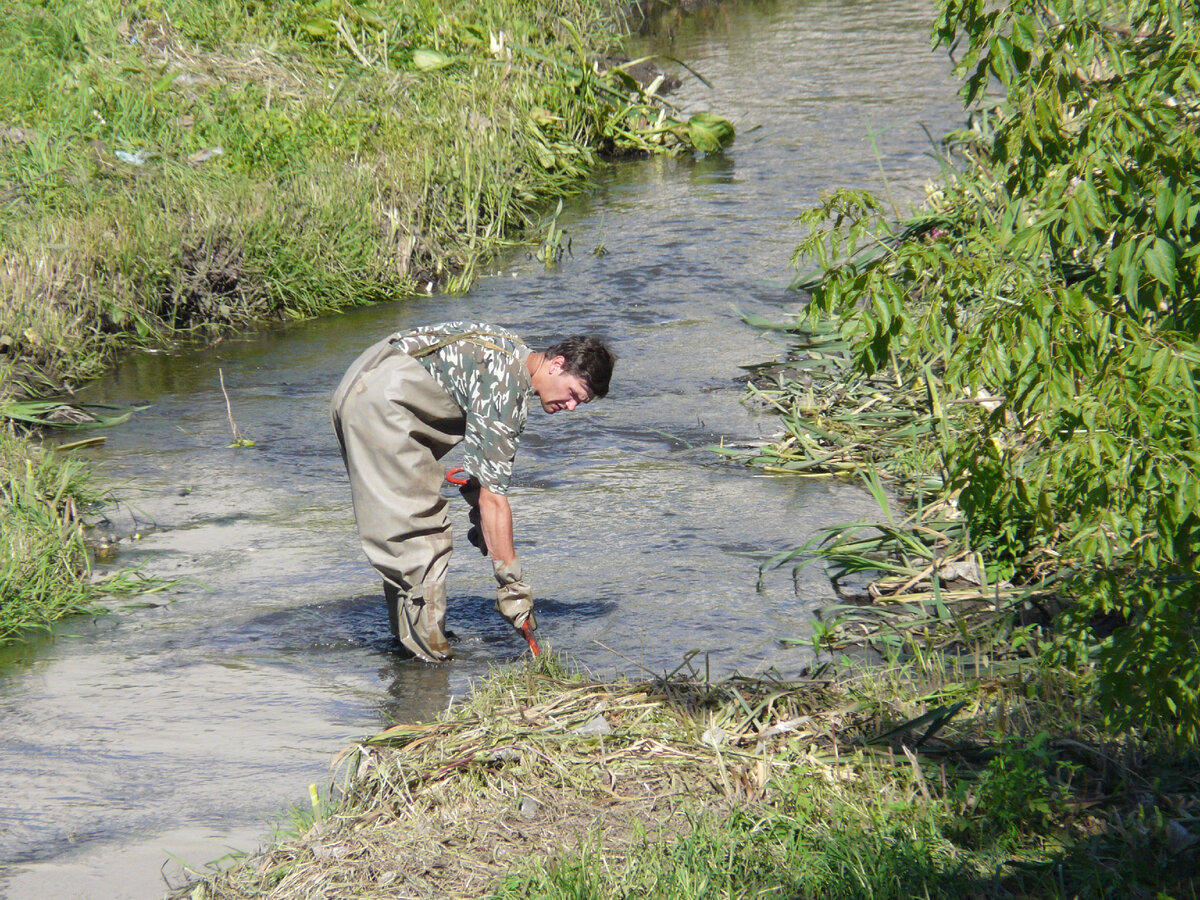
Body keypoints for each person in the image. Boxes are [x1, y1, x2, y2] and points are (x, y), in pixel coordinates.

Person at [331, 321, 615, 662]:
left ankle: (410, 642)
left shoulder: (510, 352)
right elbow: (495, 499)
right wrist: (513, 588)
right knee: (423, 538)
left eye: (579, 404)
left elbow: (483, 472)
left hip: (364, 382)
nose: (570, 407)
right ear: (556, 365)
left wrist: (483, 516)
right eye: (573, 394)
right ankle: (429, 663)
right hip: (379, 405)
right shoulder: (506, 389)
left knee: (406, 534)